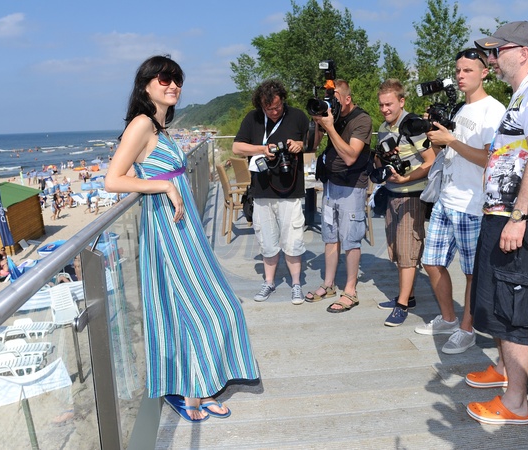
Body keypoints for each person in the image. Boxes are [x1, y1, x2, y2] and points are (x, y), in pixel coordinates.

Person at [104, 55, 259, 422]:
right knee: (203, 306)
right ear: (145, 86)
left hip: (183, 228)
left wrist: (166, 185)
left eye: (176, 80)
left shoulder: (161, 127)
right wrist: (163, 186)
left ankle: (193, 388)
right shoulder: (142, 124)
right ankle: (190, 391)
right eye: (164, 79)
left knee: (191, 307)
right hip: (166, 229)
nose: (173, 85)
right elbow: (113, 179)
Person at [466, 21, 528, 426]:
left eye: (498, 50)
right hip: (501, 215)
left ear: (524, 52)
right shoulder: (523, 93)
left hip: (521, 217)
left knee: (514, 310)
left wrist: (520, 216)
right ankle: (505, 371)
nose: (491, 59)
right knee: (496, 301)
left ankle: (516, 403)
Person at [415, 48, 506, 353]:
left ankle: (467, 330)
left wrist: (451, 140)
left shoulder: (493, 110)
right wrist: (436, 136)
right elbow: (446, 153)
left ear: (485, 73)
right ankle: (449, 318)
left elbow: (491, 159)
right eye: (458, 70)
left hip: (473, 204)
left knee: (471, 273)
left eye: (468, 70)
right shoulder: (458, 109)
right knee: (431, 262)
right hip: (446, 197)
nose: (460, 75)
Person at [232, 80, 310, 305]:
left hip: (291, 189)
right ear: (261, 106)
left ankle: (296, 284)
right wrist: (262, 149)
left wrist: (299, 144)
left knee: (293, 239)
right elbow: (237, 147)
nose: (274, 112)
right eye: (269, 109)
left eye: (277, 107)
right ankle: (269, 282)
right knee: (267, 240)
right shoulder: (253, 118)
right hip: (262, 189)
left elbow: (311, 142)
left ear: (283, 100)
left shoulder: (297, 116)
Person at [306, 79, 373, 313]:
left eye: (334, 100)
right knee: (330, 236)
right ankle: (328, 284)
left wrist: (331, 128)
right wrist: (318, 124)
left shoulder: (361, 120)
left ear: (347, 99)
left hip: (352, 187)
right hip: (331, 184)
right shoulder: (331, 116)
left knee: (351, 239)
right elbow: (312, 146)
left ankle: (350, 291)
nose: (330, 104)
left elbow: (350, 156)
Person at [373, 79, 434, 326]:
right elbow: (379, 162)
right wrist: (384, 157)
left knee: (408, 251)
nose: (384, 109)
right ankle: (407, 296)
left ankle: (401, 306)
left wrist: (407, 177)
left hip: (412, 195)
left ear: (401, 101)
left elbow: (431, 161)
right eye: (381, 105)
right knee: (398, 249)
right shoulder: (383, 127)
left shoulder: (413, 125)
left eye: (389, 104)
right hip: (392, 193)